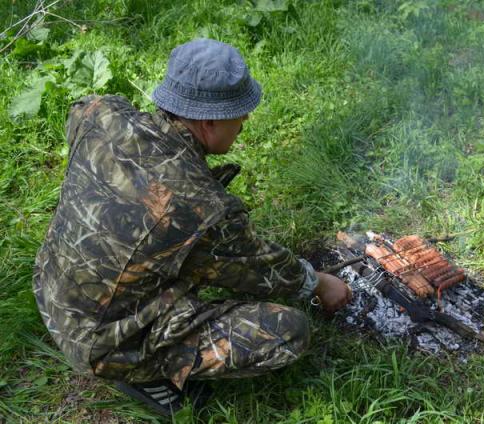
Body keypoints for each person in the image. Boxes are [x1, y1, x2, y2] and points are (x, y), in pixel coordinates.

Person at [32, 38, 352, 415]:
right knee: (287, 331)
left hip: (50, 289)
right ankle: (141, 371)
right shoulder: (200, 210)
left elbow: (78, 112)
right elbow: (263, 269)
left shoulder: (101, 112)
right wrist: (318, 283)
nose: (246, 120)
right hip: (99, 342)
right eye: (240, 113)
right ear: (209, 121)